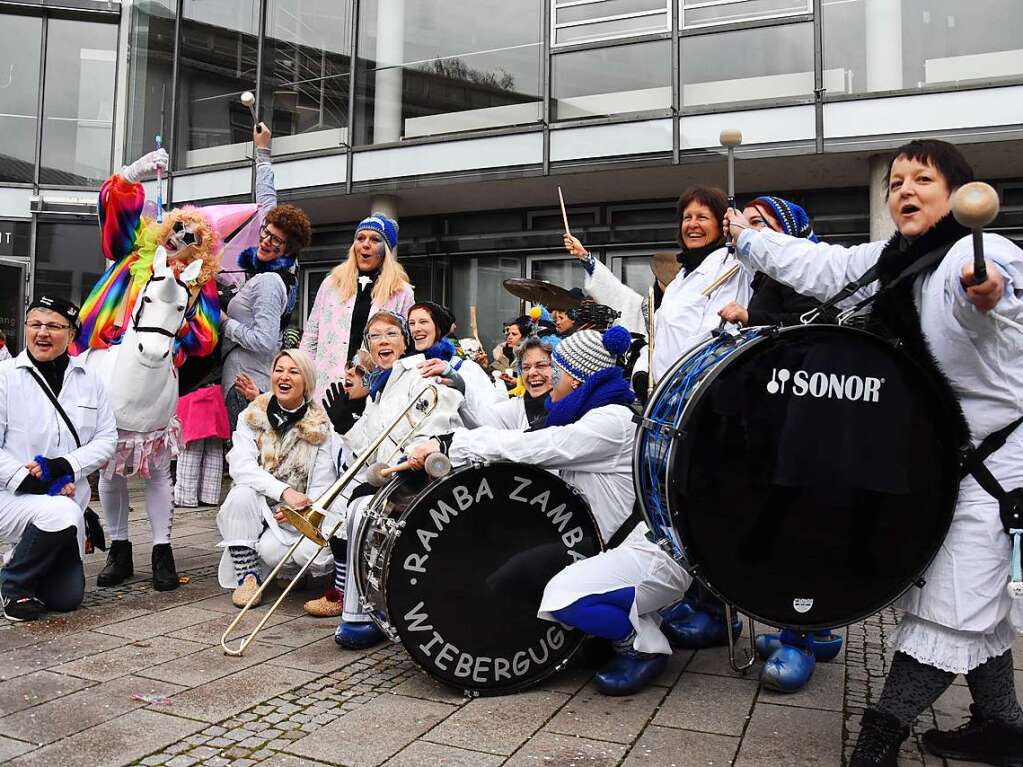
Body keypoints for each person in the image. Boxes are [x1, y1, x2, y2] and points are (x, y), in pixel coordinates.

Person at [725, 138, 1023, 766]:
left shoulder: (979, 252)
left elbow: (994, 295)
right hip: (949, 458)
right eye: (895, 182)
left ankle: (877, 739)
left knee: (947, 604)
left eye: (922, 179)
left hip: (1002, 464)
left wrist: (991, 295)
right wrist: (748, 238)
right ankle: (1003, 727)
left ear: (956, 194)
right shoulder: (894, 259)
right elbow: (820, 267)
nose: (905, 191)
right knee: (977, 600)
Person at [407, 326, 689, 696]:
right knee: (508, 577)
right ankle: (617, 622)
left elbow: (540, 446)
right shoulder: (583, 412)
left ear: (574, 378)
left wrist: (451, 443)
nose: (547, 380)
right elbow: (524, 440)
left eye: (554, 371)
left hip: (648, 556)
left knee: (562, 596)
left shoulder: (612, 421)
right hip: (610, 550)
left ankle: (642, 644)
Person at [325, 310, 464, 649]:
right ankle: (370, 604)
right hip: (391, 478)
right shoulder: (379, 388)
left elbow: (441, 422)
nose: (382, 341)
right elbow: (373, 454)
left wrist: (406, 461)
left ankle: (361, 616)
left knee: (360, 508)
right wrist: (347, 426)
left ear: (404, 342)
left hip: (421, 480)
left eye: (390, 334)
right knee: (344, 506)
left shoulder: (420, 373)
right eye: (374, 337)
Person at [0, 297, 117, 621]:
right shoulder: (5, 376)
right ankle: (13, 587)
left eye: (53, 326)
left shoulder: (90, 380)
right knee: (60, 510)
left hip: (67, 507)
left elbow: (107, 438)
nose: (42, 333)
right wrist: (38, 483)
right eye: (35, 324)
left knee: (65, 599)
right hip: (11, 498)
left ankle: (18, 559)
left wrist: (64, 467)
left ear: (72, 333)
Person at [216, 349, 338, 608]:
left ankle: (290, 571)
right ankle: (247, 577)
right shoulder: (252, 415)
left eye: (294, 372)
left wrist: (301, 509)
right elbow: (241, 465)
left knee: (274, 552)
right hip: (259, 503)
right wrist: (283, 492)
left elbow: (323, 482)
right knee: (240, 494)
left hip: (294, 515)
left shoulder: (321, 426)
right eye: (279, 370)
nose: (284, 377)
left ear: (307, 382)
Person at [222, 123, 313, 430]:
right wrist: (263, 151)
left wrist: (225, 324)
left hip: (248, 383)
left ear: (289, 250)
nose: (265, 241)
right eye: (266, 233)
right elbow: (267, 202)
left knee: (248, 465)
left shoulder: (273, 281)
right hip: (239, 376)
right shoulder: (261, 267)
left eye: (276, 241)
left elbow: (263, 341)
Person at [300, 214, 415, 402]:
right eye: (360, 238)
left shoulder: (401, 292)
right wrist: (303, 377)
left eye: (375, 239)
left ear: (386, 250)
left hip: (373, 390)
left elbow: (406, 346)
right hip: (326, 386)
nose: (365, 244)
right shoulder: (331, 284)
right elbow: (311, 336)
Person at [653, 185, 752, 381]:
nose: (692, 224)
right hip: (664, 393)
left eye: (702, 217)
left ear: (721, 225)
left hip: (691, 391)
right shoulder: (679, 280)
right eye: (687, 217)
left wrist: (678, 382)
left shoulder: (731, 269)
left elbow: (713, 337)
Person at [303, 350, 373, 618]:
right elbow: (328, 462)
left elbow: (372, 459)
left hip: (368, 486)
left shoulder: (374, 411)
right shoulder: (338, 410)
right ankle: (341, 588)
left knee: (346, 509)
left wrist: (348, 426)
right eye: (348, 369)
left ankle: (343, 592)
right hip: (341, 485)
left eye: (359, 372)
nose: (349, 375)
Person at [717, 196, 824, 328]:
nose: (745, 230)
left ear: (783, 228)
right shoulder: (764, 276)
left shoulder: (796, 270)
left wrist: (749, 317)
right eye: (742, 224)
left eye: (755, 222)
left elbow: (818, 322)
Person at [409, 301, 506, 427]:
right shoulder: (409, 368)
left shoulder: (467, 368)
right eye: (411, 323)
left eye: (423, 322)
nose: (416, 329)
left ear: (439, 327)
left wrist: (460, 385)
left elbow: (492, 422)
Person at [476, 336, 554, 430]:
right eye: (526, 367)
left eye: (541, 365)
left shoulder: (574, 411)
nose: (531, 373)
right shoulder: (507, 410)